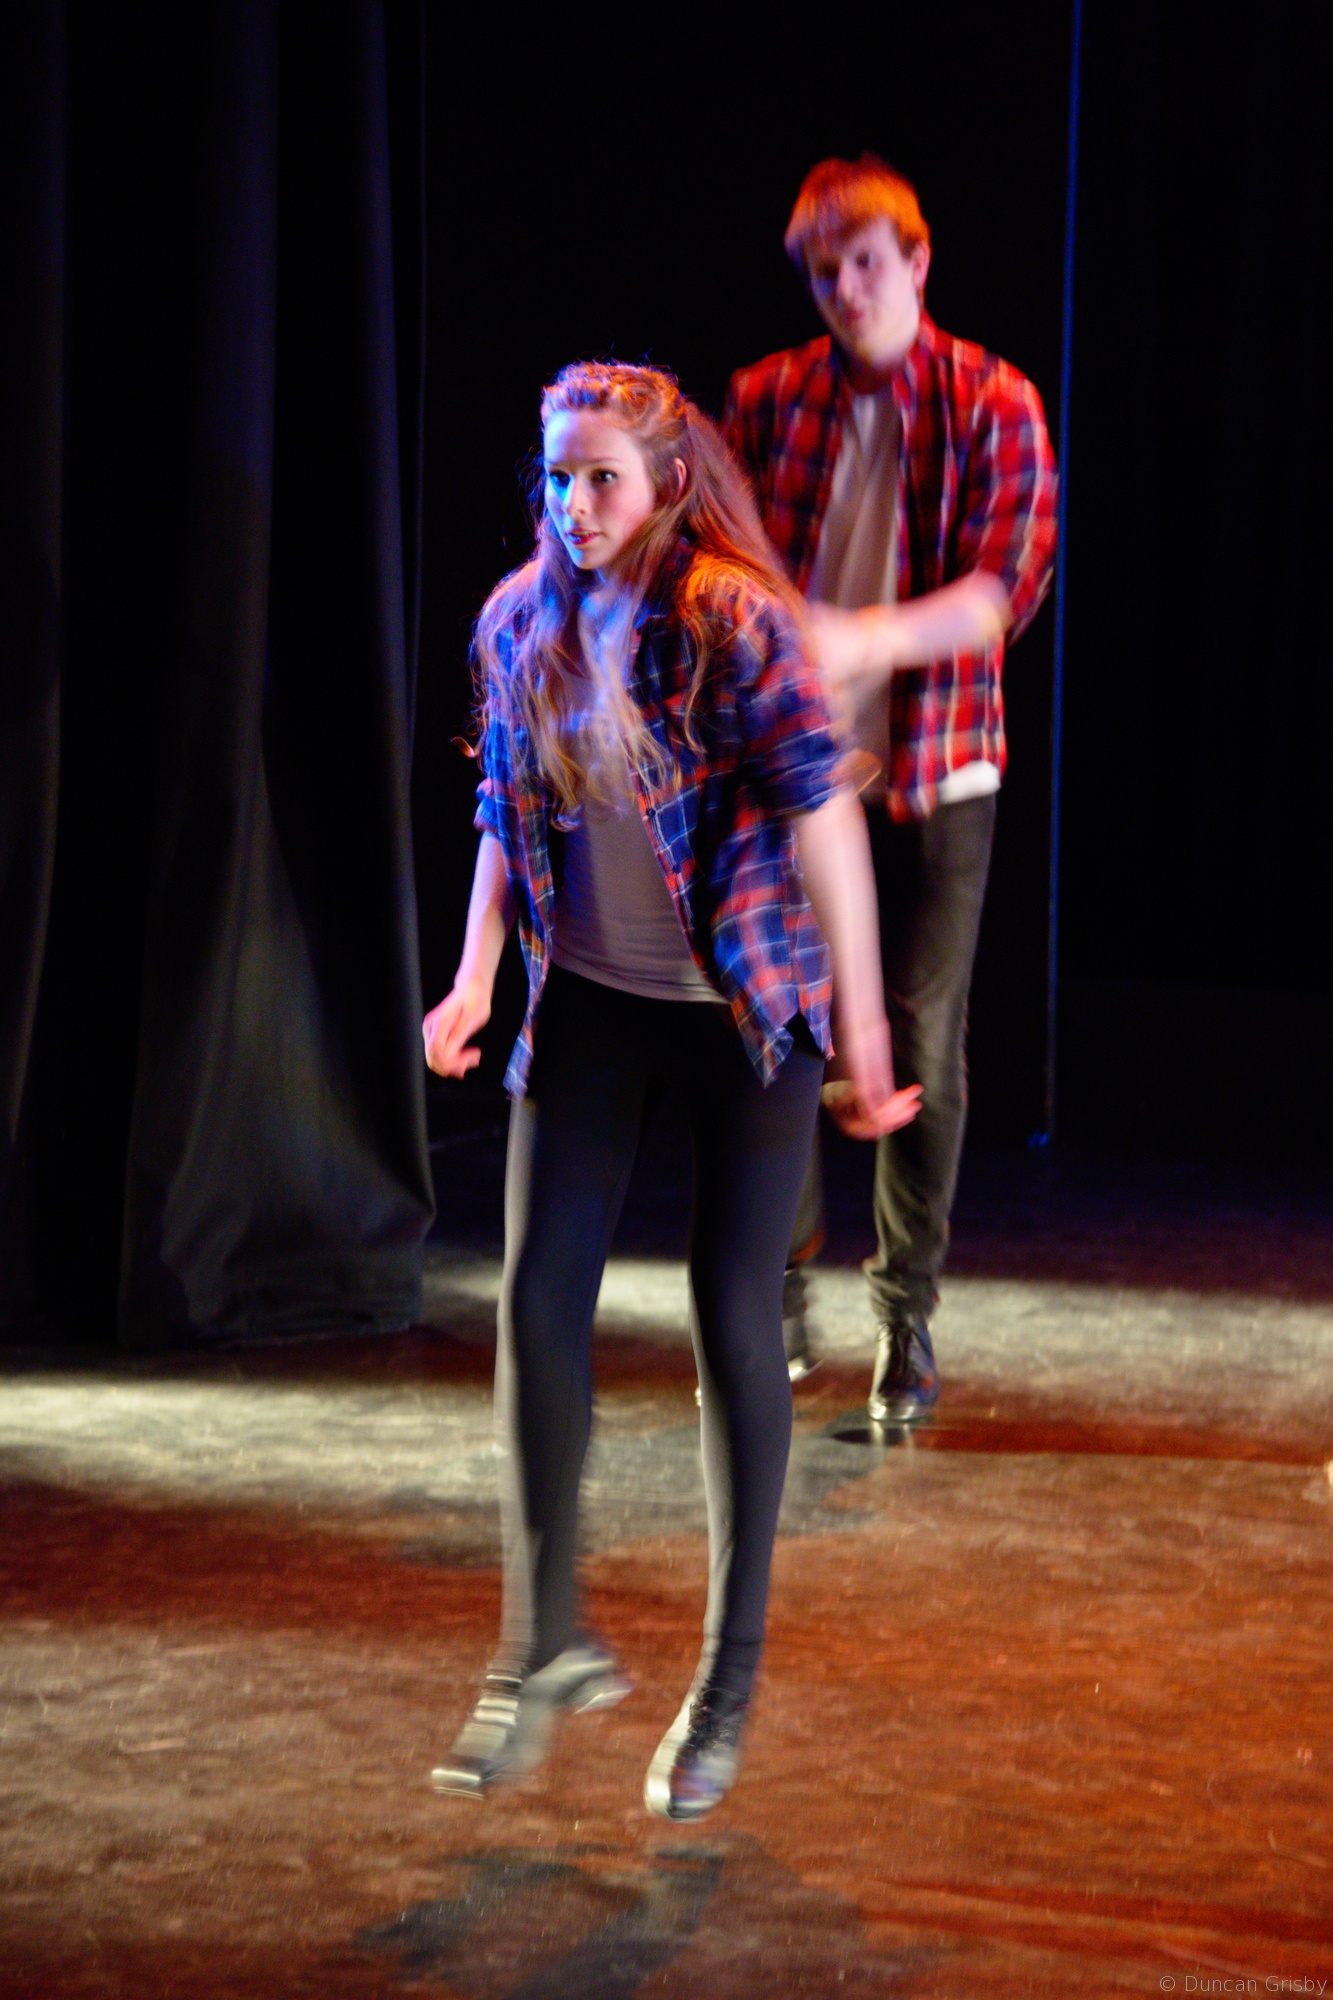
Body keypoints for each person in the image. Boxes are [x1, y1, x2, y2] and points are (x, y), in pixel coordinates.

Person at [422, 360, 919, 1822]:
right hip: (590, 997)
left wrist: (864, 1027)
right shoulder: (518, 617)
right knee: (535, 1300)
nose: (575, 505)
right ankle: (540, 1644)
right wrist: (474, 973)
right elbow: (503, 807)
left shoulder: (731, 621)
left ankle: (725, 1683)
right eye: (558, 477)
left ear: (668, 485)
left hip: (742, 1008)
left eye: (603, 479)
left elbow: (825, 823)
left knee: (729, 1315)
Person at [723, 155, 1058, 1424]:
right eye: (825, 272)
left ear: (916, 261)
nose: (846, 290)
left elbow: (1000, 589)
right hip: (795, 765)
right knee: (777, 1022)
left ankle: (905, 1312)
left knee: (918, 1038)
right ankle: (777, 1276)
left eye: (866, 263)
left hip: (937, 763)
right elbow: (723, 559)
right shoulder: (767, 397)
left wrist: (857, 638)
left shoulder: (992, 400)